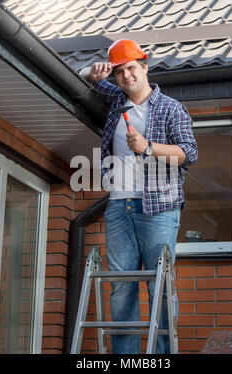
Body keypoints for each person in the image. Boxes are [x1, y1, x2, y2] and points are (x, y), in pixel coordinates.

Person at [80, 39, 198, 354]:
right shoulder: (118, 98)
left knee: (158, 286)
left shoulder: (171, 108)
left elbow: (189, 153)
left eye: (131, 68)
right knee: (121, 288)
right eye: (119, 72)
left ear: (144, 67)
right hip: (119, 205)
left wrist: (148, 147)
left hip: (158, 208)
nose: (126, 76)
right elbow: (84, 77)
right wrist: (94, 71)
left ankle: (161, 355)